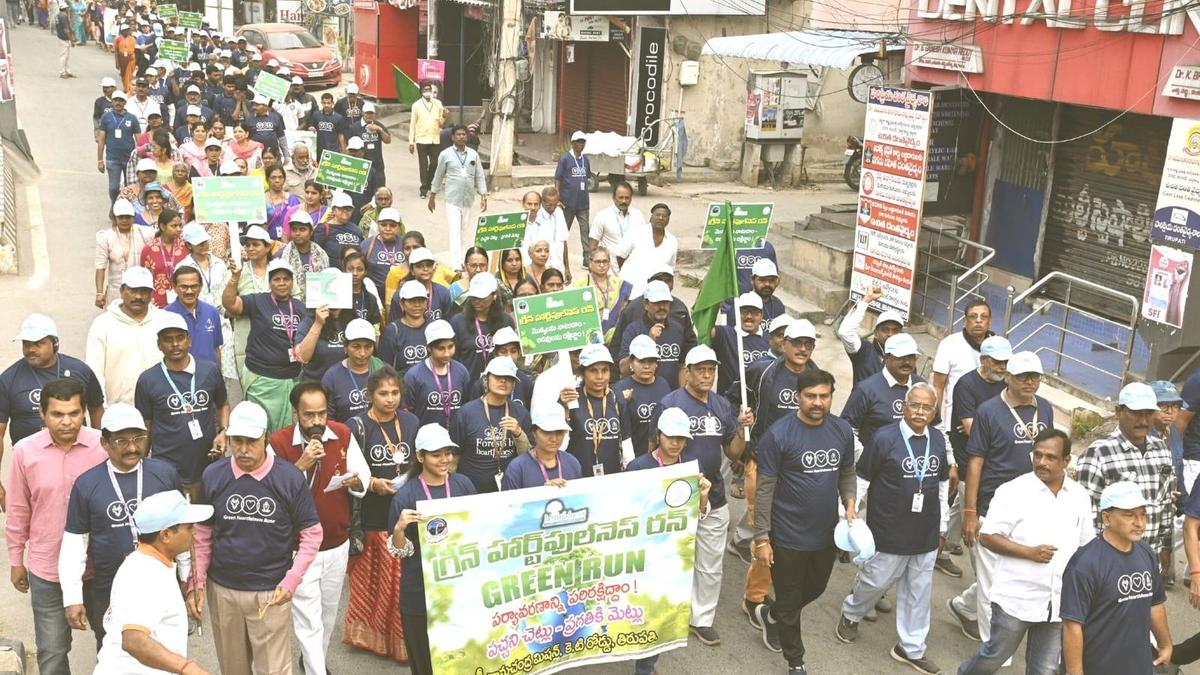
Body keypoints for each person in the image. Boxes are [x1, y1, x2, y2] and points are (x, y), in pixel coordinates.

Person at [187, 401, 323, 674]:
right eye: (237, 441)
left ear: (266, 437)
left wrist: (291, 580)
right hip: (223, 589)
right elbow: (202, 533)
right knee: (232, 668)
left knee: (273, 669)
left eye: (252, 441)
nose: (243, 449)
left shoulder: (289, 478)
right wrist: (197, 582)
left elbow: (312, 534)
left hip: (270, 592)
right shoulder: (213, 475)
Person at [957, 428, 1094, 675]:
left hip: (1058, 602)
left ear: (1066, 461)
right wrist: (1029, 553)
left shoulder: (1079, 496)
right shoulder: (1013, 491)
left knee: (1044, 669)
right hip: (1017, 599)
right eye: (1037, 455)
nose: (1042, 462)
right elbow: (987, 537)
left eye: (1051, 457)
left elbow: (1086, 546)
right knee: (994, 656)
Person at [835, 383, 948, 675]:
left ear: (934, 411)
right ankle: (851, 613)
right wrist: (846, 516)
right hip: (888, 530)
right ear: (904, 406)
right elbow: (861, 479)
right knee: (875, 582)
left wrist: (944, 524)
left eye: (927, 407)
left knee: (919, 592)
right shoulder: (884, 438)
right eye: (915, 405)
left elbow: (944, 485)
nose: (921, 412)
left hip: (925, 532)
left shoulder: (937, 440)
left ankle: (910, 648)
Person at [950, 351, 1056, 650]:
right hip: (992, 507)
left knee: (1009, 574)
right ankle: (994, 653)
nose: (1030, 382)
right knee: (992, 587)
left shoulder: (1045, 409)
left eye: (1035, 376)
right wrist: (970, 512)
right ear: (1008, 377)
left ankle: (963, 605)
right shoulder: (989, 410)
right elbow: (976, 462)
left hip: (1031, 507)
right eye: (1023, 376)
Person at [753, 368, 856, 672]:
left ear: (831, 397)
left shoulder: (842, 431)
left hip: (826, 535)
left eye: (824, 396)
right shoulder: (779, 434)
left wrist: (850, 503)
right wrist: (761, 538)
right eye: (811, 396)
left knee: (815, 589)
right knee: (789, 597)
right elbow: (764, 489)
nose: (817, 402)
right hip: (787, 536)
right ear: (798, 396)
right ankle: (795, 662)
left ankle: (772, 615)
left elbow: (847, 471)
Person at [651, 345, 754, 646]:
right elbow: (652, 449)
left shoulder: (722, 405)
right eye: (701, 369)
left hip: (714, 497)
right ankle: (663, 611)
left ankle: (702, 618)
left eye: (712, 369)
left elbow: (733, 453)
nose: (707, 375)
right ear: (687, 371)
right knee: (671, 558)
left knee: (710, 563)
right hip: (674, 497)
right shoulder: (669, 403)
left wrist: (740, 430)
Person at [59, 404, 183, 648]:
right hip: (109, 590)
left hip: (160, 584)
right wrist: (72, 598)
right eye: (121, 441)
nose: (132, 448)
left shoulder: (165, 474)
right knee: (113, 653)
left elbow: (182, 529)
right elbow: (75, 544)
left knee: (165, 652)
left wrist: (188, 579)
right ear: (104, 443)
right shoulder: (87, 485)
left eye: (138, 438)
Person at [5, 378, 106, 675]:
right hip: (47, 569)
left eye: (74, 413)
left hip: (98, 568)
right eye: (57, 414)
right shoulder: (25, 452)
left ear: (84, 411)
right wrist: (15, 560)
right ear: (42, 414)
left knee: (112, 644)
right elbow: (18, 509)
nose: (66, 422)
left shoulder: (102, 447)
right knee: (52, 652)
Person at [270, 382, 370, 675]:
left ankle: (312, 660)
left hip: (337, 542)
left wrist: (356, 482)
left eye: (321, 414)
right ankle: (317, 670)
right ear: (295, 413)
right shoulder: (278, 443)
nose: (316, 421)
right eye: (308, 415)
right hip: (299, 549)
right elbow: (272, 491)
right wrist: (300, 465)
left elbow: (363, 475)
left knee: (327, 615)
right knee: (308, 619)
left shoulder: (342, 434)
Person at [387, 423, 477, 675]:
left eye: (448, 453)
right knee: (424, 661)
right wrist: (399, 529)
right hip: (419, 593)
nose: (444, 459)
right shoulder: (405, 496)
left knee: (464, 657)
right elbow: (397, 552)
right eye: (436, 454)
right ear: (420, 456)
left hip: (460, 589)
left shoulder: (464, 485)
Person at [92, 490, 214, 675]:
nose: (195, 531)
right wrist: (187, 668)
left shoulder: (149, 563)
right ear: (165, 535)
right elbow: (134, 640)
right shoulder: (146, 574)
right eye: (188, 527)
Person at [343, 366, 418, 662]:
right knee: (374, 583)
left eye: (395, 393)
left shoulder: (411, 421)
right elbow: (347, 471)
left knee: (399, 584)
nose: (390, 399)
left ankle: (399, 640)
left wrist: (408, 479)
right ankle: (370, 637)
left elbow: (418, 459)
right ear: (370, 394)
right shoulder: (357, 426)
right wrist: (373, 483)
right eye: (383, 393)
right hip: (371, 516)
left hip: (404, 513)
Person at [1061, 481, 1173, 675]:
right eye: (1129, 515)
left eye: (1143, 514)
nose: (1140, 523)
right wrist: (1075, 672)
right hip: (1099, 667)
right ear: (1106, 518)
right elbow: (1072, 625)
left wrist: (1165, 644)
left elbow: (1155, 603)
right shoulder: (1084, 564)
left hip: (1141, 666)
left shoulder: (1145, 552)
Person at [1075, 382, 1176, 579]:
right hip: (1111, 558)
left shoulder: (1162, 450)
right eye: (1137, 413)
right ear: (1118, 411)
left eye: (1148, 413)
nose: (1144, 420)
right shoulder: (1098, 453)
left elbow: (1164, 503)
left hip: (1149, 555)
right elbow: (1087, 514)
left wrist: (1166, 548)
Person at [222, 259, 323, 432]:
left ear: (292, 282)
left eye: (286, 279)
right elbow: (230, 304)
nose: (282, 283)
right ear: (270, 283)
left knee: (287, 432)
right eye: (277, 279)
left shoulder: (301, 308)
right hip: (261, 378)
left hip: (291, 379)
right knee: (260, 429)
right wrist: (234, 279)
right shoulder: (258, 301)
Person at [133, 310, 229, 492]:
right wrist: (142, 467)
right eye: (168, 339)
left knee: (205, 519)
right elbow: (145, 426)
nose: (175, 344)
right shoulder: (148, 380)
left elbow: (223, 404)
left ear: (189, 340)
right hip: (166, 471)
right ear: (159, 344)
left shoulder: (209, 371)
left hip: (208, 468)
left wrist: (224, 431)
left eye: (180, 337)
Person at [943, 336, 1013, 580]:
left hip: (991, 460)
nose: (1003, 367)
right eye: (997, 362)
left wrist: (988, 427)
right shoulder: (967, 385)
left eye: (1006, 362)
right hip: (968, 461)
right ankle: (982, 578)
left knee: (956, 510)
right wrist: (995, 429)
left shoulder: (1005, 383)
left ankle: (940, 551)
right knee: (972, 521)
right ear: (983, 360)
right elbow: (972, 430)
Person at [0, 314, 104, 450]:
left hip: (77, 453)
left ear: (55, 344)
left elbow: (96, 409)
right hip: (31, 459)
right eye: (26, 344)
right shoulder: (8, 379)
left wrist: (99, 448)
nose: (31, 349)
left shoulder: (80, 371)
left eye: (38, 344)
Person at [450, 356, 532, 493]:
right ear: (486, 380)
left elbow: (529, 457)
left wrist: (518, 433)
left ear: (514, 384)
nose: (503, 381)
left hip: (509, 488)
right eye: (498, 376)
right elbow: (453, 457)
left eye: (509, 378)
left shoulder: (521, 412)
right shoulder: (465, 413)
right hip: (471, 491)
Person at [85, 266, 164, 406]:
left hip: (161, 409)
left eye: (144, 291)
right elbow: (94, 372)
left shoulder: (164, 322)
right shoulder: (102, 325)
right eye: (133, 290)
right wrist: (102, 409)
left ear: (152, 294)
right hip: (119, 412)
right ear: (122, 291)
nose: (138, 296)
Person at [840, 332, 931, 452]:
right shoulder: (866, 389)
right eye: (901, 357)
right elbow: (846, 430)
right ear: (886, 358)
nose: (907, 362)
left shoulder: (923, 387)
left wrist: (950, 460)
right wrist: (865, 458)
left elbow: (936, 425)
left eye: (911, 357)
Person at [560, 344, 634, 477]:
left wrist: (630, 472)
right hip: (579, 478)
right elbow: (561, 445)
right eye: (593, 370)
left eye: (604, 370)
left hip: (613, 477)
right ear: (582, 373)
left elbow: (626, 441)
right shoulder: (571, 399)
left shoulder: (617, 399)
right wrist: (564, 409)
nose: (600, 376)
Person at [428, 124, 489, 266]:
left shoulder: (473, 154)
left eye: (464, 134)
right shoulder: (446, 154)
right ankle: (456, 263)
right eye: (458, 134)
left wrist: (483, 196)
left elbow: (479, 175)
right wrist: (432, 196)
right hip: (452, 198)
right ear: (452, 137)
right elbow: (438, 176)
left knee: (465, 229)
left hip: (468, 198)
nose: (461, 137)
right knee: (454, 230)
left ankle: (466, 259)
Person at [618, 280, 696, 387]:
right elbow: (623, 370)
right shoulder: (633, 330)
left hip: (671, 397)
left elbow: (682, 366)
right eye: (657, 303)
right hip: (642, 396)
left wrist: (681, 395)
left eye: (666, 302)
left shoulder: (677, 328)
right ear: (646, 304)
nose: (662, 307)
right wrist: (648, 342)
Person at [931, 298, 993, 424]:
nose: (979, 320)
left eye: (984, 317)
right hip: (956, 420)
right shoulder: (949, 344)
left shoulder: (998, 345)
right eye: (973, 316)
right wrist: (935, 420)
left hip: (990, 422)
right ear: (964, 321)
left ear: (989, 322)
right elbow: (938, 385)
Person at [612, 334, 671, 457]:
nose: (647, 366)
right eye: (641, 361)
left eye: (651, 361)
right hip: (632, 456)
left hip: (659, 457)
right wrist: (620, 401)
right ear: (631, 363)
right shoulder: (620, 388)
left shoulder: (663, 384)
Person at [403, 320, 470, 427]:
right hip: (426, 439)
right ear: (429, 348)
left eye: (451, 347)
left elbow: (466, 405)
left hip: (455, 438)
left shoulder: (461, 371)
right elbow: (408, 414)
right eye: (441, 349)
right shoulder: (413, 376)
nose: (447, 353)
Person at [449, 273, 516, 380]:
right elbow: (453, 359)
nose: (477, 301)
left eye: (482, 298)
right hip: (468, 386)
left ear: (494, 295)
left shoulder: (506, 322)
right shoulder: (457, 322)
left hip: (500, 382)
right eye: (474, 297)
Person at [837, 285, 905, 386]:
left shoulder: (906, 357)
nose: (890, 334)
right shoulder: (864, 351)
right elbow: (845, 332)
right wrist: (866, 300)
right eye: (885, 330)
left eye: (895, 330)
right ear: (876, 333)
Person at [501, 405, 582, 489]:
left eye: (559, 432)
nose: (554, 439)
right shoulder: (517, 468)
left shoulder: (572, 463)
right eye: (547, 432)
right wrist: (541, 493)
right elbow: (509, 501)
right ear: (534, 433)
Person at [320, 319, 384, 423]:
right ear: (345, 347)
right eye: (356, 346)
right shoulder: (332, 377)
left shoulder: (382, 371)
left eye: (368, 347)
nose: (362, 353)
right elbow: (328, 419)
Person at [95, 198, 154, 308]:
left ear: (133, 218)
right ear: (115, 218)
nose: (124, 220)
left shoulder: (145, 233)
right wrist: (99, 293)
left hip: (140, 288)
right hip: (116, 290)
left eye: (128, 217)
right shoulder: (106, 237)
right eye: (121, 217)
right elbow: (100, 267)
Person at [572, 245, 631, 343]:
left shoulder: (619, 284)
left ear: (609, 263)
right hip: (589, 335)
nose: (602, 265)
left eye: (605, 261)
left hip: (614, 336)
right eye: (598, 261)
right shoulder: (581, 284)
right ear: (590, 263)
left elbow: (624, 312)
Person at [713, 292, 770, 391]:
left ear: (761, 316)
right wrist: (714, 305)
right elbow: (705, 329)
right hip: (728, 403)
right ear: (737, 313)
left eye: (754, 312)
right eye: (744, 311)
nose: (749, 316)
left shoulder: (770, 339)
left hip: (758, 403)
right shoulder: (725, 334)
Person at [619, 202, 678, 296]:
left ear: (668, 220)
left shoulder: (672, 241)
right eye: (657, 215)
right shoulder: (636, 233)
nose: (660, 218)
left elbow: (670, 268)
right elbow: (620, 256)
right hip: (631, 288)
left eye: (664, 216)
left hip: (653, 294)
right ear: (651, 217)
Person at [380, 280, 432, 376]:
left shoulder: (433, 328)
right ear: (402, 303)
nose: (417, 305)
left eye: (421, 300)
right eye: (411, 301)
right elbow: (385, 369)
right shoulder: (392, 331)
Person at [97, 89, 141, 201]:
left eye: (121, 100)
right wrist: (100, 160)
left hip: (129, 159)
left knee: (130, 187)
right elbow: (101, 140)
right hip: (112, 159)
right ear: (112, 101)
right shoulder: (106, 117)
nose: (118, 103)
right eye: (116, 100)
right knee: (113, 188)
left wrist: (140, 159)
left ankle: (128, 211)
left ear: (125, 102)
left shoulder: (132, 118)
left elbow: (139, 141)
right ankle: (114, 207)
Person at [590, 181, 644, 272]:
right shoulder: (602, 216)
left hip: (633, 270)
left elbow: (643, 242)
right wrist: (592, 268)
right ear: (614, 198)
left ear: (631, 198)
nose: (624, 201)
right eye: (621, 197)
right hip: (609, 271)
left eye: (627, 198)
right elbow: (593, 245)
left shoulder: (638, 216)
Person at [555, 130, 592, 260]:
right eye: (578, 142)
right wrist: (557, 197)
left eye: (583, 142)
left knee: (585, 231)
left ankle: (587, 258)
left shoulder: (585, 160)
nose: (581, 145)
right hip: (567, 202)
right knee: (564, 231)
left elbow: (587, 177)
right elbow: (558, 178)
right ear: (573, 143)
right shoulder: (565, 158)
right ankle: (559, 255)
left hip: (583, 203)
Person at [722, 258, 786, 331]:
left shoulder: (778, 305)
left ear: (777, 281)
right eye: (762, 280)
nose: (767, 284)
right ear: (752, 280)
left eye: (771, 280)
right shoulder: (741, 305)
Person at [140, 208, 186, 308]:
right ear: (162, 226)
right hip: (156, 304)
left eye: (180, 225)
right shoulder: (148, 250)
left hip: (183, 301)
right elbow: (144, 278)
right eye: (174, 226)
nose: (179, 229)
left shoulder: (185, 248)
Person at [393, 246, 453, 322]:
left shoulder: (443, 293)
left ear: (434, 267)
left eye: (429, 265)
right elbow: (395, 326)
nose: (425, 269)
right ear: (412, 270)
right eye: (419, 266)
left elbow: (448, 325)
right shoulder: (400, 295)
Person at [410, 83, 447, 198]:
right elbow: (412, 124)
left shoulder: (438, 104)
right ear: (421, 91)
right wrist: (411, 141)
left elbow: (441, 123)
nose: (428, 91)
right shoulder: (416, 105)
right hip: (421, 138)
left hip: (434, 138)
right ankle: (423, 189)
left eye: (429, 90)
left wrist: (445, 116)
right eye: (425, 90)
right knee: (423, 164)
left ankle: (429, 182)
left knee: (435, 163)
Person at [315, 190, 364, 267]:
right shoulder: (323, 229)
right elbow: (315, 254)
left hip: (352, 274)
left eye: (348, 209)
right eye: (342, 208)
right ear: (334, 210)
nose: (345, 211)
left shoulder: (356, 229)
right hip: (330, 275)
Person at [54, 1, 74, 78]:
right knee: (64, 56)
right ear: (65, 8)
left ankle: (67, 71)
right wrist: (71, 40)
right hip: (64, 38)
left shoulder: (58, 15)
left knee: (67, 56)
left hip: (60, 36)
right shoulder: (63, 17)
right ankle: (62, 72)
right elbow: (67, 30)